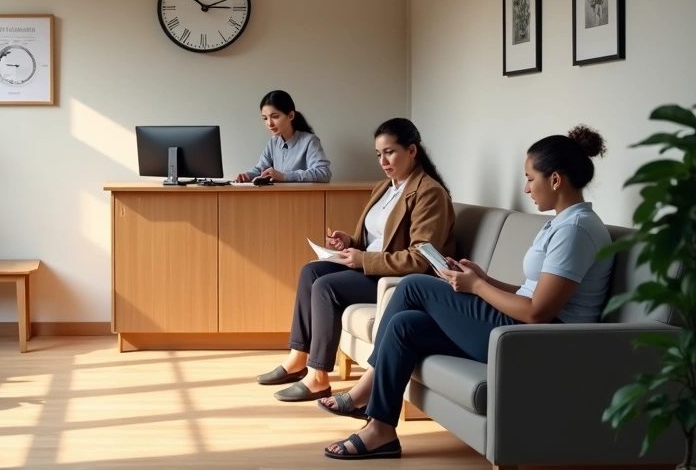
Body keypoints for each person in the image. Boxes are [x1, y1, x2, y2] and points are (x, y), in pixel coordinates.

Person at [317, 126, 612, 460]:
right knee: (405, 327)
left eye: (530, 178)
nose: (526, 188)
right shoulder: (562, 223)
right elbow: (534, 292)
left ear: (555, 180)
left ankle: (366, 389)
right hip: (519, 327)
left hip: (537, 340)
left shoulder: (575, 231)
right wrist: (486, 279)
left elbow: (538, 312)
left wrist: (477, 287)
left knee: (415, 285)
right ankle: (381, 429)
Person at [255, 118, 455, 402]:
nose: (383, 161)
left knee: (326, 287)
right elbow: (376, 239)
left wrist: (363, 259)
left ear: (412, 151)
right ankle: (297, 358)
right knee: (310, 272)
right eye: (378, 154)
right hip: (372, 266)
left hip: (395, 278)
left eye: (390, 152)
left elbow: (419, 258)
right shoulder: (385, 188)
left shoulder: (429, 193)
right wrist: (349, 242)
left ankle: (318, 378)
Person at [234, 90, 332, 183]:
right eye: (265, 118)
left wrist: (284, 176)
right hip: (277, 198)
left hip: (303, 199)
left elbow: (323, 173)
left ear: (291, 115)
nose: (269, 123)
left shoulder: (309, 141)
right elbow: (261, 169)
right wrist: (247, 175)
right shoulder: (273, 143)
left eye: (275, 117)